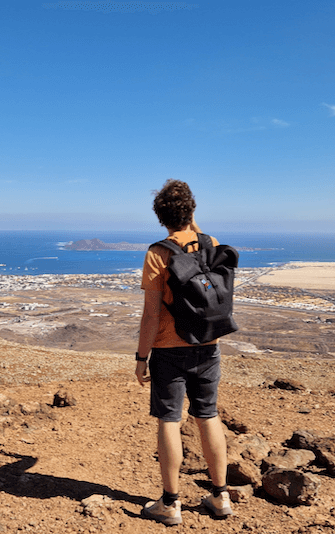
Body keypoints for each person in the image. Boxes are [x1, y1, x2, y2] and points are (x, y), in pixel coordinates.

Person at [135, 179, 232, 526]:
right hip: (209, 345)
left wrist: (141, 357)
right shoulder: (211, 244)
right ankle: (220, 496)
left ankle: (170, 503)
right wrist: (192, 218)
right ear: (192, 213)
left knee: (169, 420)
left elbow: (152, 313)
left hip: (169, 350)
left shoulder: (158, 253)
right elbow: (198, 234)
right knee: (208, 415)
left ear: (160, 218)